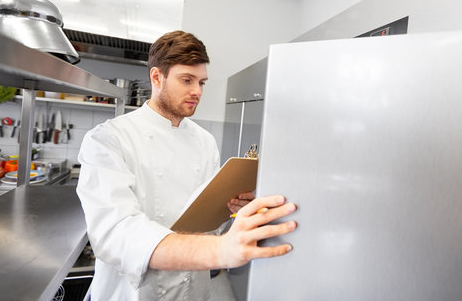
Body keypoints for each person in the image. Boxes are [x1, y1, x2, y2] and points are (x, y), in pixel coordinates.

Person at [76, 30, 297, 300]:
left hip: (194, 289)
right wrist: (220, 250)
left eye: (202, 82)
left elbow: (208, 225)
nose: (197, 91)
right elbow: (114, 233)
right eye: (186, 80)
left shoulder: (205, 141)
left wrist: (233, 211)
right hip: (133, 293)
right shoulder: (108, 138)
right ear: (157, 77)